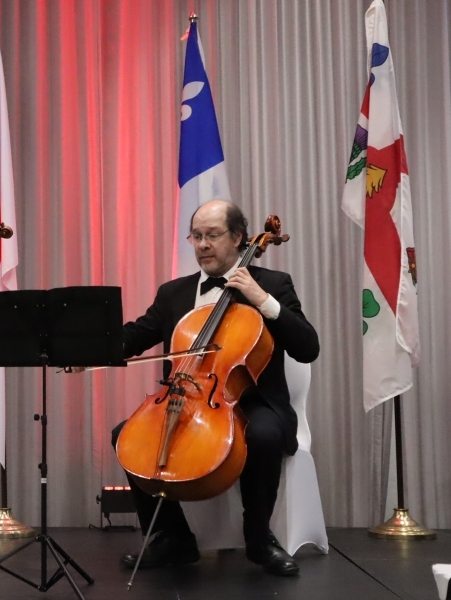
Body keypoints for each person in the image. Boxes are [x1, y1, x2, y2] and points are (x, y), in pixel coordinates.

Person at [110, 199, 319, 576]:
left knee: (265, 435)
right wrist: (86, 349)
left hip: (254, 401)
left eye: (213, 235)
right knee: (126, 435)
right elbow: (137, 335)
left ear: (239, 238)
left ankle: (258, 539)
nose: (203, 244)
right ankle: (172, 538)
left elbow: (307, 346)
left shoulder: (273, 284)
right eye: (197, 237)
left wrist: (262, 300)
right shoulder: (174, 292)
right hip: (189, 398)